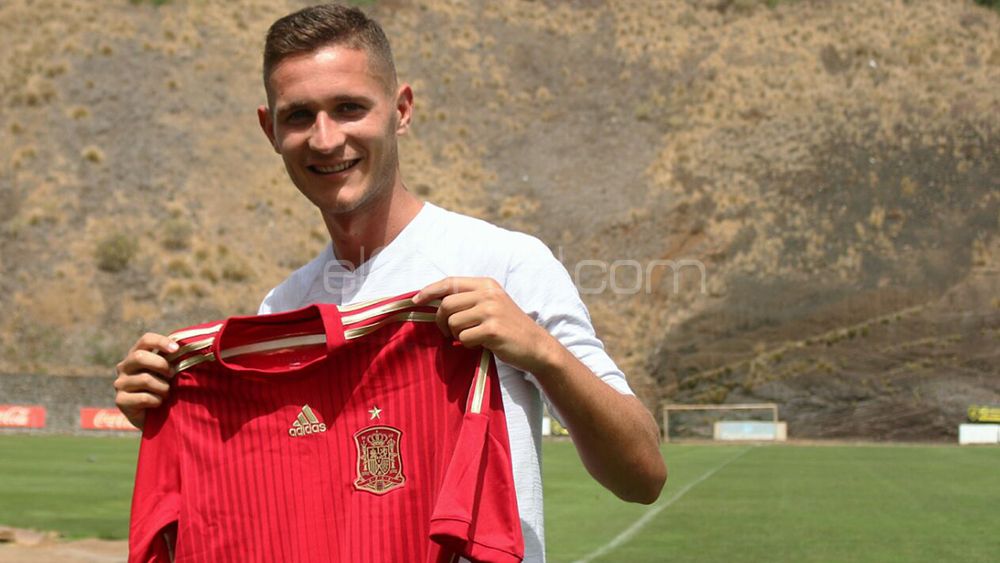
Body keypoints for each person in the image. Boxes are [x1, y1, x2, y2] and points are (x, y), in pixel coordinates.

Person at [113, 3, 665, 560]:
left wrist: (543, 353)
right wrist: (170, 409)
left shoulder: (505, 263)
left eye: (349, 108)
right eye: (299, 115)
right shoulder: (282, 309)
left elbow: (643, 477)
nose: (325, 139)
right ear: (270, 130)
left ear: (401, 110)